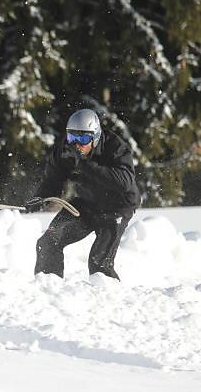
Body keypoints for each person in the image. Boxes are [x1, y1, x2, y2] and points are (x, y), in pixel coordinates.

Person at [24, 108, 139, 280]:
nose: (77, 144)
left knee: (98, 262)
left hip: (117, 208)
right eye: (72, 137)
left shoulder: (116, 147)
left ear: (95, 137)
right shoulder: (65, 151)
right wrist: (41, 197)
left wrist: (85, 165)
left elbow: (124, 182)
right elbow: (52, 179)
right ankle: (47, 290)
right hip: (87, 204)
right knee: (47, 243)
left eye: (83, 138)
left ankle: (109, 299)